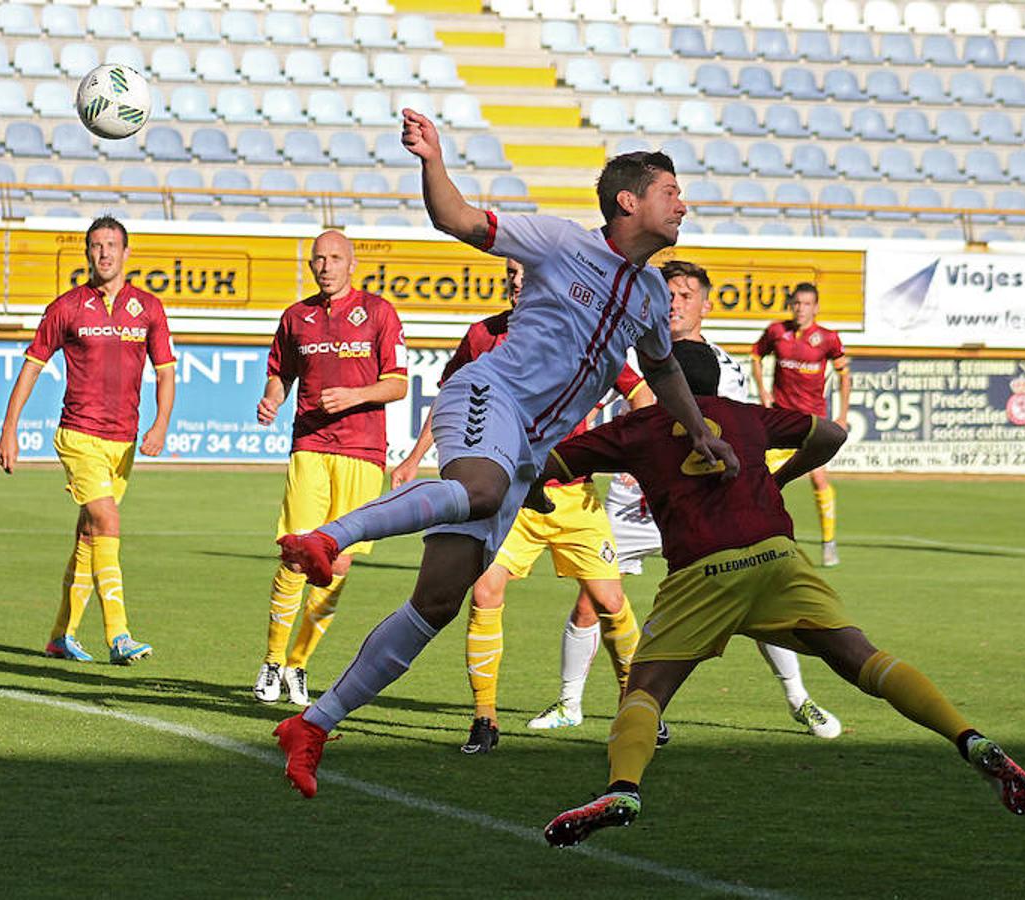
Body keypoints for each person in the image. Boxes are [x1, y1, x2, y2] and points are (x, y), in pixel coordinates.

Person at [273, 110, 739, 799]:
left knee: (438, 600)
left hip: (526, 449)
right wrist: (433, 157)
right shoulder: (557, 241)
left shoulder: (647, 292)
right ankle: (325, 539)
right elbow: (458, 218)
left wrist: (698, 430)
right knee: (484, 491)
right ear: (628, 201)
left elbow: (662, 370)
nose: (684, 204)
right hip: (488, 397)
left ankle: (312, 724)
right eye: (672, 191)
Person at [535, 340, 1025, 845]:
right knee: (863, 658)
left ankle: (624, 788)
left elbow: (545, 463)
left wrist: (537, 492)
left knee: (645, 690)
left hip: (702, 571)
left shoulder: (635, 428)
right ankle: (969, 737)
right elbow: (833, 432)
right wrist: (781, 477)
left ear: (664, 383)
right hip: (777, 557)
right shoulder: (743, 415)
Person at [391, 259, 650, 755]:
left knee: (611, 603)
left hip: (574, 495)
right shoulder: (484, 335)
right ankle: (484, 719)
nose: (515, 278)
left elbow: (640, 394)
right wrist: (415, 456)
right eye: (511, 271)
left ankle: (640, 712)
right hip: (509, 494)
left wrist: (633, 452)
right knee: (485, 593)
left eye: (525, 271)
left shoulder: (583, 330)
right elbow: (451, 393)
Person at [592, 260, 842, 740]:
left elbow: (736, 437)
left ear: (705, 306)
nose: (674, 303)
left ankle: (798, 698)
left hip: (701, 503)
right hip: (630, 499)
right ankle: (574, 702)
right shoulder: (624, 355)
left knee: (754, 602)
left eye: (686, 295)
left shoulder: (722, 369)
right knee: (595, 600)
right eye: (667, 294)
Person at [0, 215, 176, 665]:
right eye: (96, 245)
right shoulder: (67, 307)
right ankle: (118, 634)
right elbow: (32, 366)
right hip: (79, 435)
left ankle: (61, 635)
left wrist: (160, 425)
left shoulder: (149, 308)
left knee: (89, 534)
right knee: (107, 521)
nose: (105, 253)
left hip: (124, 441)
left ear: (127, 253)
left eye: (112, 245)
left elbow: (166, 372)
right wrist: (9, 428)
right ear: (87, 253)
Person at [254, 230, 408, 706]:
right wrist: (273, 400)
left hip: (363, 453)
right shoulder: (296, 317)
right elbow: (281, 372)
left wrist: (356, 396)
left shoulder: (379, 313)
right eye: (318, 258)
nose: (325, 266)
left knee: (337, 562)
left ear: (352, 263)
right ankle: (273, 660)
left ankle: (299, 664)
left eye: (335, 258)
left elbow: (399, 384)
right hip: (310, 445)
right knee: (295, 552)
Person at [750, 282, 851, 567]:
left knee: (819, 478)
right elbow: (756, 356)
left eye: (807, 304)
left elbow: (845, 375)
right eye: (796, 303)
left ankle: (829, 543)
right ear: (790, 305)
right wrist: (763, 391)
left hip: (813, 422)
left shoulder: (828, 338)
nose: (801, 309)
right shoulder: (776, 332)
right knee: (761, 478)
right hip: (780, 421)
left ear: (816, 308)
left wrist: (842, 414)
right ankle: (758, 539)